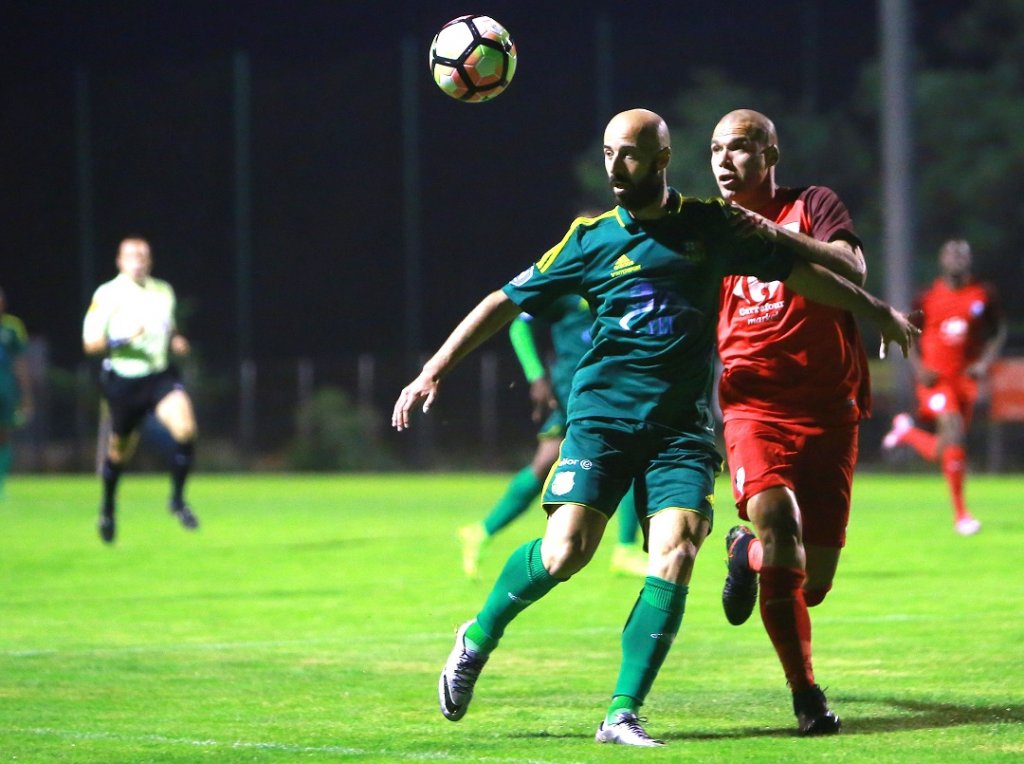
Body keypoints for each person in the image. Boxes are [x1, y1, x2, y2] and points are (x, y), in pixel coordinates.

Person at [392, 108, 917, 746]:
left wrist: (877, 311)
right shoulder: (588, 239)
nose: (617, 166)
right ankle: (476, 638)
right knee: (566, 553)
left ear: (663, 159)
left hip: (681, 432)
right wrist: (434, 369)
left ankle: (621, 712)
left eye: (631, 154)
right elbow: (506, 300)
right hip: (603, 420)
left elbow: (802, 274)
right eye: (610, 153)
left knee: (676, 554)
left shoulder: (707, 225)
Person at [711, 108, 892, 735]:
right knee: (780, 521)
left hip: (830, 408)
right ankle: (806, 694)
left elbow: (852, 267)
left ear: (770, 155)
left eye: (739, 148)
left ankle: (744, 553)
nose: (725, 161)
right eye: (715, 150)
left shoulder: (811, 204)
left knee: (810, 585)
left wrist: (773, 233)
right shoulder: (711, 230)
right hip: (753, 405)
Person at [457, 294, 647, 579]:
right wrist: (536, 376)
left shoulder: (622, 280)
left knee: (616, 457)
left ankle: (625, 549)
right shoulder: (571, 284)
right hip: (573, 392)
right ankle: (481, 531)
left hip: (607, 388)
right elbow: (519, 326)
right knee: (550, 463)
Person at [882, 238, 1007, 535]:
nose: (956, 260)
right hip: (935, 380)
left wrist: (984, 362)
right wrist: (918, 366)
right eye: (950, 255)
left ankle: (907, 433)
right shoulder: (926, 297)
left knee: (948, 447)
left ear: (969, 260)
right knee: (952, 430)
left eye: (961, 255)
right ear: (942, 261)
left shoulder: (983, 295)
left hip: (965, 381)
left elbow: (998, 330)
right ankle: (962, 515)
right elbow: (903, 327)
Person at [82, 237, 200, 543]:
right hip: (124, 381)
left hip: (159, 376)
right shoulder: (108, 294)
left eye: (144, 255)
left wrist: (175, 340)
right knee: (119, 453)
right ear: (120, 261)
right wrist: (122, 340)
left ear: (150, 261)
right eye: (132, 255)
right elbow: (90, 343)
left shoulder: (163, 291)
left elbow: (167, 327)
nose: (139, 260)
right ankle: (107, 508)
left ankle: (176, 500)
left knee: (186, 429)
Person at [0, 287, 33, 497]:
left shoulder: (12, 327)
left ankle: (1, 481)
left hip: (5, 386)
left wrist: (26, 395)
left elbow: (20, 363)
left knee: (3, 434)